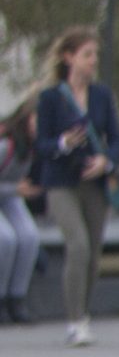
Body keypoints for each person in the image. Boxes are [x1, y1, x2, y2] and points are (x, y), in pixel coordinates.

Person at [33, 27, 119, 346]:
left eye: (95, 55)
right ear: (69, 58)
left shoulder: (102, 96)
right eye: (87, 55)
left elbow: (117, 138)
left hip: (94, 184)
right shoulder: (51, 98)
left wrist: (106, 161)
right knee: (78, 245)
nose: (93, 61)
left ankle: (84, 313)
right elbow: (41, 146)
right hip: (61, 183)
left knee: (94, 255)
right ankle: (74, 321)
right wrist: (63, 142)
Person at [0, 95, 40, 326]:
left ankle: (17, 297)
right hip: (8, 191)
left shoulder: (34, 147)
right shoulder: (6, 145)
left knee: (29, 236)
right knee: (5, 239)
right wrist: (14, 188)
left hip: (10, 196)